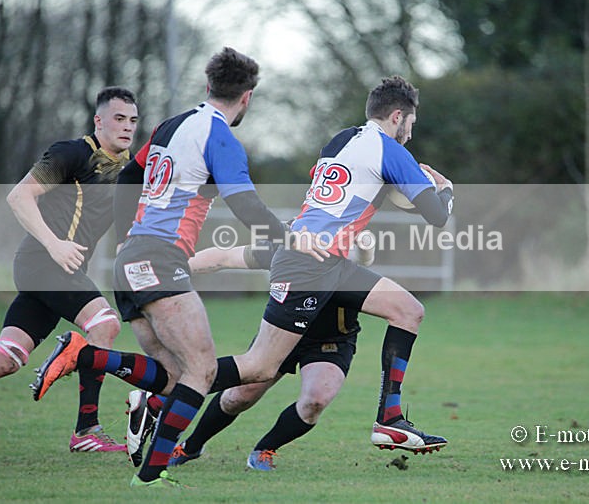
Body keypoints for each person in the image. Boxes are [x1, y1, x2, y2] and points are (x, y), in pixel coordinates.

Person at [30, 47, 322, 488]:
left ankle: (146, 469)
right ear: (247, 98)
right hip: (160, 258)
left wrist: (129, 234)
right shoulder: (220, 136)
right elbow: (243, 201)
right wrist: (289, 236)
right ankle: (88, 362)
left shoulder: (172, 125)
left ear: (208, 87)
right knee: (202, 371)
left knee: (173, 381)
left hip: (131, 259)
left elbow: (130, 176)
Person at [176, 75, 454, 453]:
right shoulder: (391, 151)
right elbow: (437, 216)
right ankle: (166, 391)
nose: (410, 133)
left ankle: (389, 420)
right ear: (397, 116)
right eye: (411, 124)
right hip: (309, 263)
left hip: (326, 259)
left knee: (408, 310)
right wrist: (446, 189)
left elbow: (347, 196)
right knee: (258, 369)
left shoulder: (341, 141)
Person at [0, 87, 139, 452]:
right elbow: (18, 196)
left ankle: (77, 395)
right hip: (44, 262)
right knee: (104, 324)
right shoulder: (72, 152)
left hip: (52, 271)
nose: (127, 127)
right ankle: (86, 430)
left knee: (5, 359)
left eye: (133, 120)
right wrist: (54, 244)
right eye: (119, 118)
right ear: (99, 120)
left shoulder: (126, 167)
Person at [161, 234, 389, 472]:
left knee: (315, 401)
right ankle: (192, 446)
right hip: (282, 333)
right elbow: (223, 257)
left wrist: (366, 244)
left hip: (332, 340)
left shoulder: (339, 244)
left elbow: (362, 258)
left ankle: (264, 449)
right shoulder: (289, 245)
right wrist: (173, 269)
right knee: (238, 397)